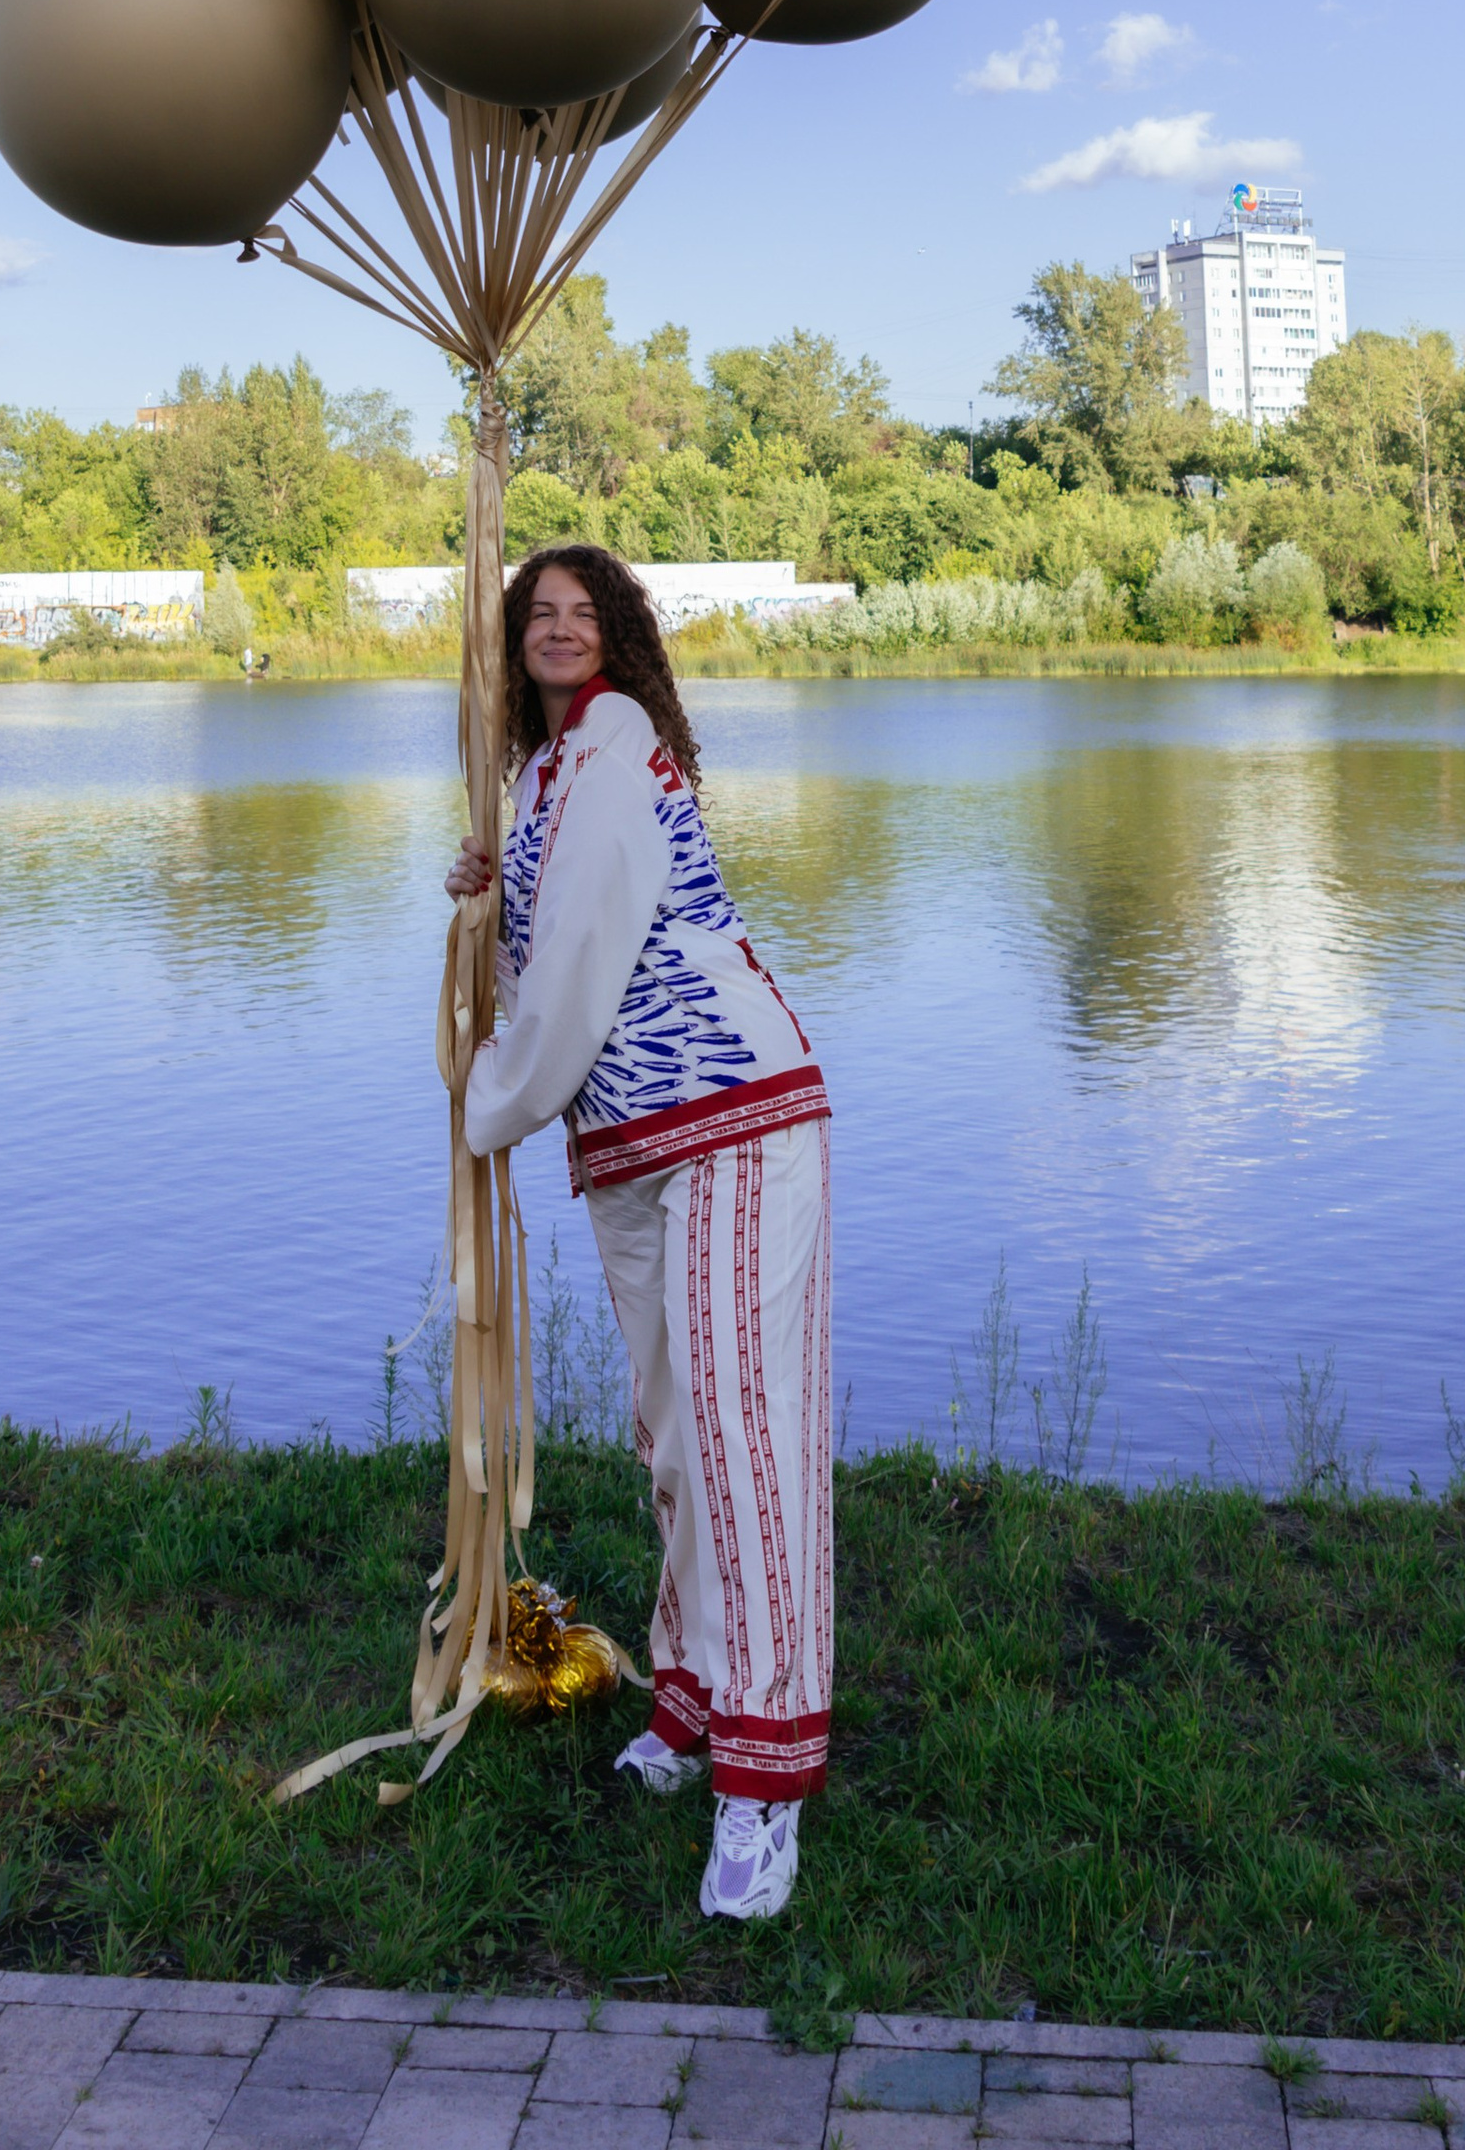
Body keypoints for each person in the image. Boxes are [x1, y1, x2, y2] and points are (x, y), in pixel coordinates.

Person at [450, 540, 832, 1923]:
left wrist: (487, 1103)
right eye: (534, 613)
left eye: (579, 609)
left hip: (731, 1112)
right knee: (675, 1434)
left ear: (617, 631)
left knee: (742, 1439)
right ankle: (695, 1704)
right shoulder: (549, 775)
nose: (557, 628)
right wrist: (487, 888)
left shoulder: (611, 749)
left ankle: (765, 1784)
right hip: (633, 1142)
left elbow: (579, 977)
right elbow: (548, 936)